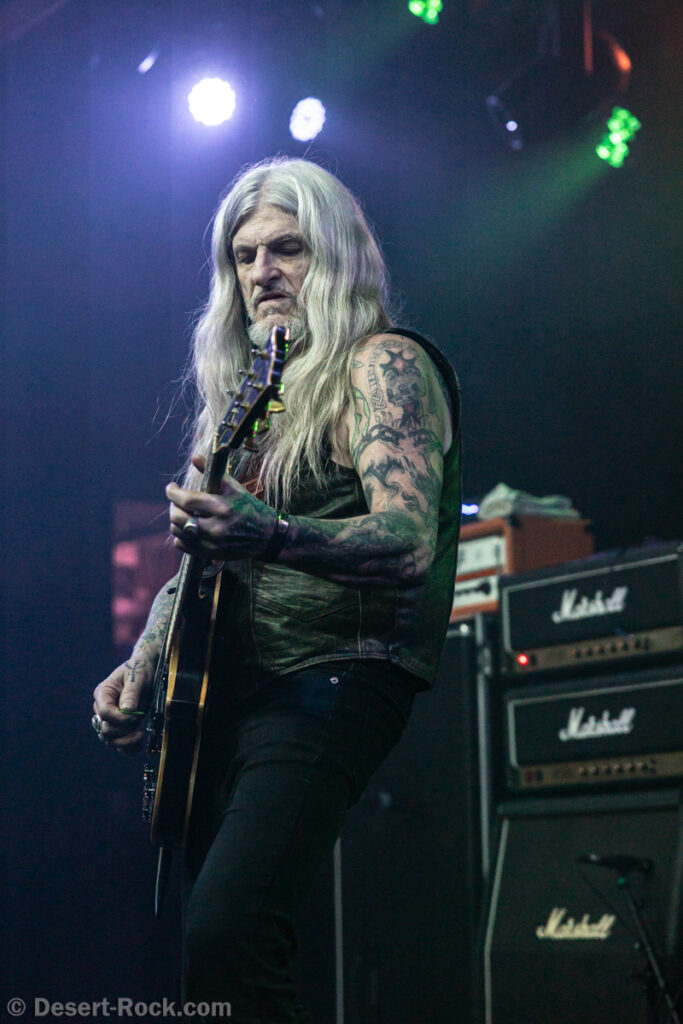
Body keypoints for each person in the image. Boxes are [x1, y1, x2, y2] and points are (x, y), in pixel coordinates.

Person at [92, 157, 461, 1023]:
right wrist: (143, 662)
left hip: (333, 674)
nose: (262, 272)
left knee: (229, 931)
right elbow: (200, 563)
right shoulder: (254, 394)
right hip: (229, 692)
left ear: (334, 255)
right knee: (215, 957)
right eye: (244, 255)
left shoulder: (383, 365)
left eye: (287, 249)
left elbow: (407, 541)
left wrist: (272, 532)